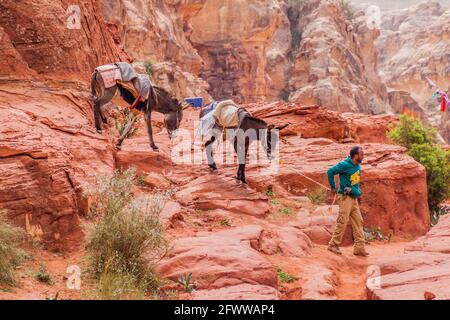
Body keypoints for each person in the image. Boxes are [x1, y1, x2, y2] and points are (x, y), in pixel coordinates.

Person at [327, 146, 369, 257]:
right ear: (355, 155)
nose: (363, 156)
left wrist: (355, 192)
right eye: (361, 154)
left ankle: (359, 248)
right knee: (343, 220)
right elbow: (330, 171)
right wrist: (333, 187)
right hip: (345, 198)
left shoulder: (357, 166)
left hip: (353, 198)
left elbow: (355, 183)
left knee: (358, 221)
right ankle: (333, 245)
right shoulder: (345, 165)